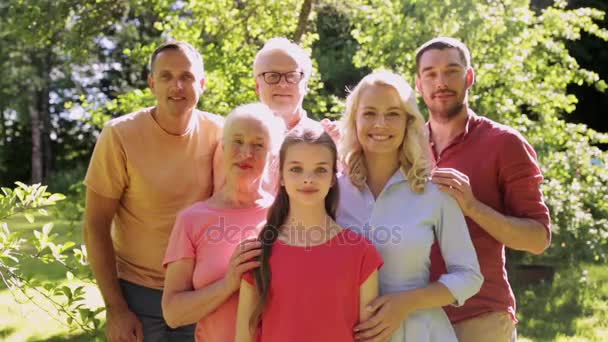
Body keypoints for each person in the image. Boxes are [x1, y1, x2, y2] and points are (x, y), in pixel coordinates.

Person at [83, 41, 223, 341]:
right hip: (138, 297)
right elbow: (95, 225)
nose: (177, 85)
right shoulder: (119, 135)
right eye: (166, 76)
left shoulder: (221, 134)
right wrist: (116, 309)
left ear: (202, 83)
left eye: (186, 76)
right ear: (151, 84)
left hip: (204, 294)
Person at [415, 37, 551, 341]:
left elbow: (538, 238)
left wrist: (473, 206)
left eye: (452, 71)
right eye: (431, 74)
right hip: (415, 319)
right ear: (418, 84)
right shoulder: (406, 148)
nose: (441, 82)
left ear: (469, 77)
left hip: (480, 318)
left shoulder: (504, 143)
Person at [336, 70, 483, 341]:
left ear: (408, 122)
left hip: (418, 332)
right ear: (354, 120)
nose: (380, 124)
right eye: (369, 113)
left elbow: (469, 276)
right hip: (343, 331)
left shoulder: (435, 192)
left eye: (392, 114)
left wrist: (405, 303)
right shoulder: (331, 192)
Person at [235, 127, 383, 342]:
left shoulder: (361, 253)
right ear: (282, 177)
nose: (308, 179)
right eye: (296, 169)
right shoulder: (259, 251)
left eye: (320, 170)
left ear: (333, 178)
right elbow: (244, 337)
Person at [161, 103, 285, 342]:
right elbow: (173, 313)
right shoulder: (192, 219)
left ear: (272, 155)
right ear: (223, 147)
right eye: (238, 141)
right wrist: (228, 284)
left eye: (258, 145)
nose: (246, 153)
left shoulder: (284, 216)